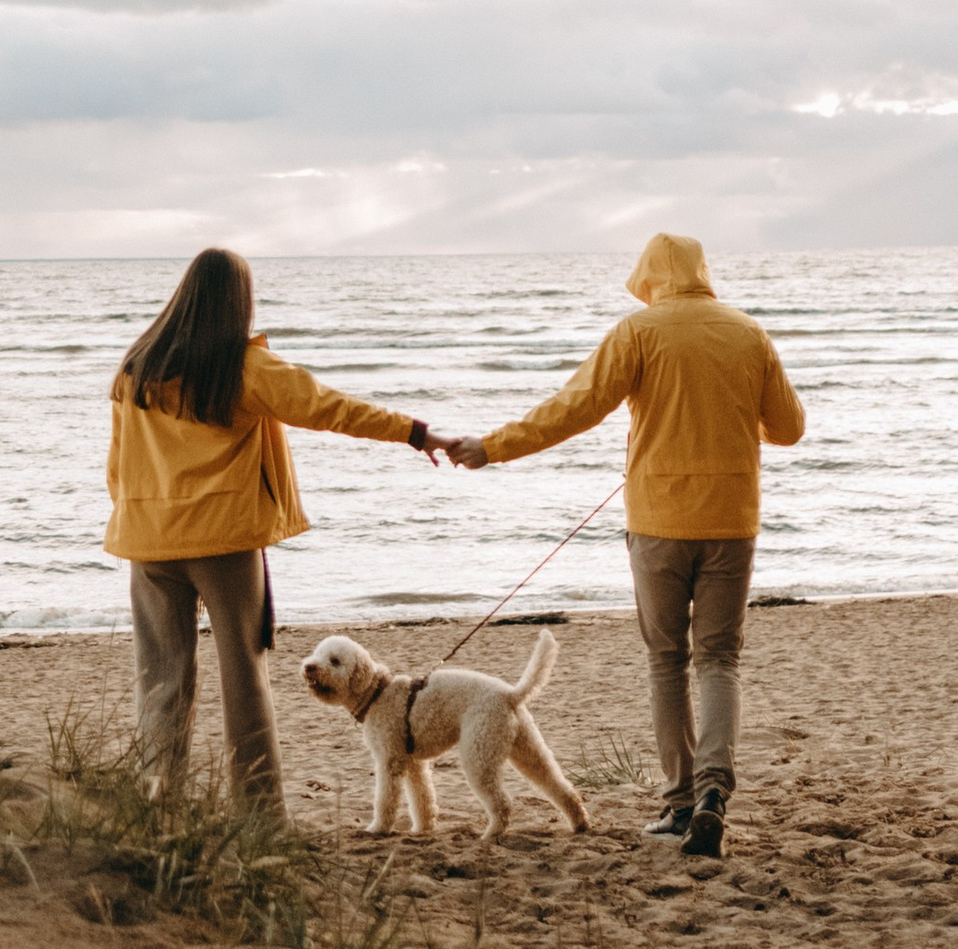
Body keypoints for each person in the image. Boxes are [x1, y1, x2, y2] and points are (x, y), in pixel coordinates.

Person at [453, 232, 803, 861]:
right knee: (719, 659)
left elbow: (575, 408)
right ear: (702, 271)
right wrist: (726, 416)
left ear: (650, 279)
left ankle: (678, 802)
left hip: (659, 521)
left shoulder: (638, 331)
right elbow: (790, 428)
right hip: (731, 519)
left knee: (666, 659)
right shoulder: (748, 333)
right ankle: (713, 797)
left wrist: (494, 446)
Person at [106, 245, 446, 800]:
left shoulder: (136, 368)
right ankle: (258, 819)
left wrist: (140, 517)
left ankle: (156, 808)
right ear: (239, 302)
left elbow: (117, 467)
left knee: (161, 687)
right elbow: (331, 408)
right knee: (245, 680)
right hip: (225, 543)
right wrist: (415, 432)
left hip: (148, 542)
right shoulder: (241, 367)